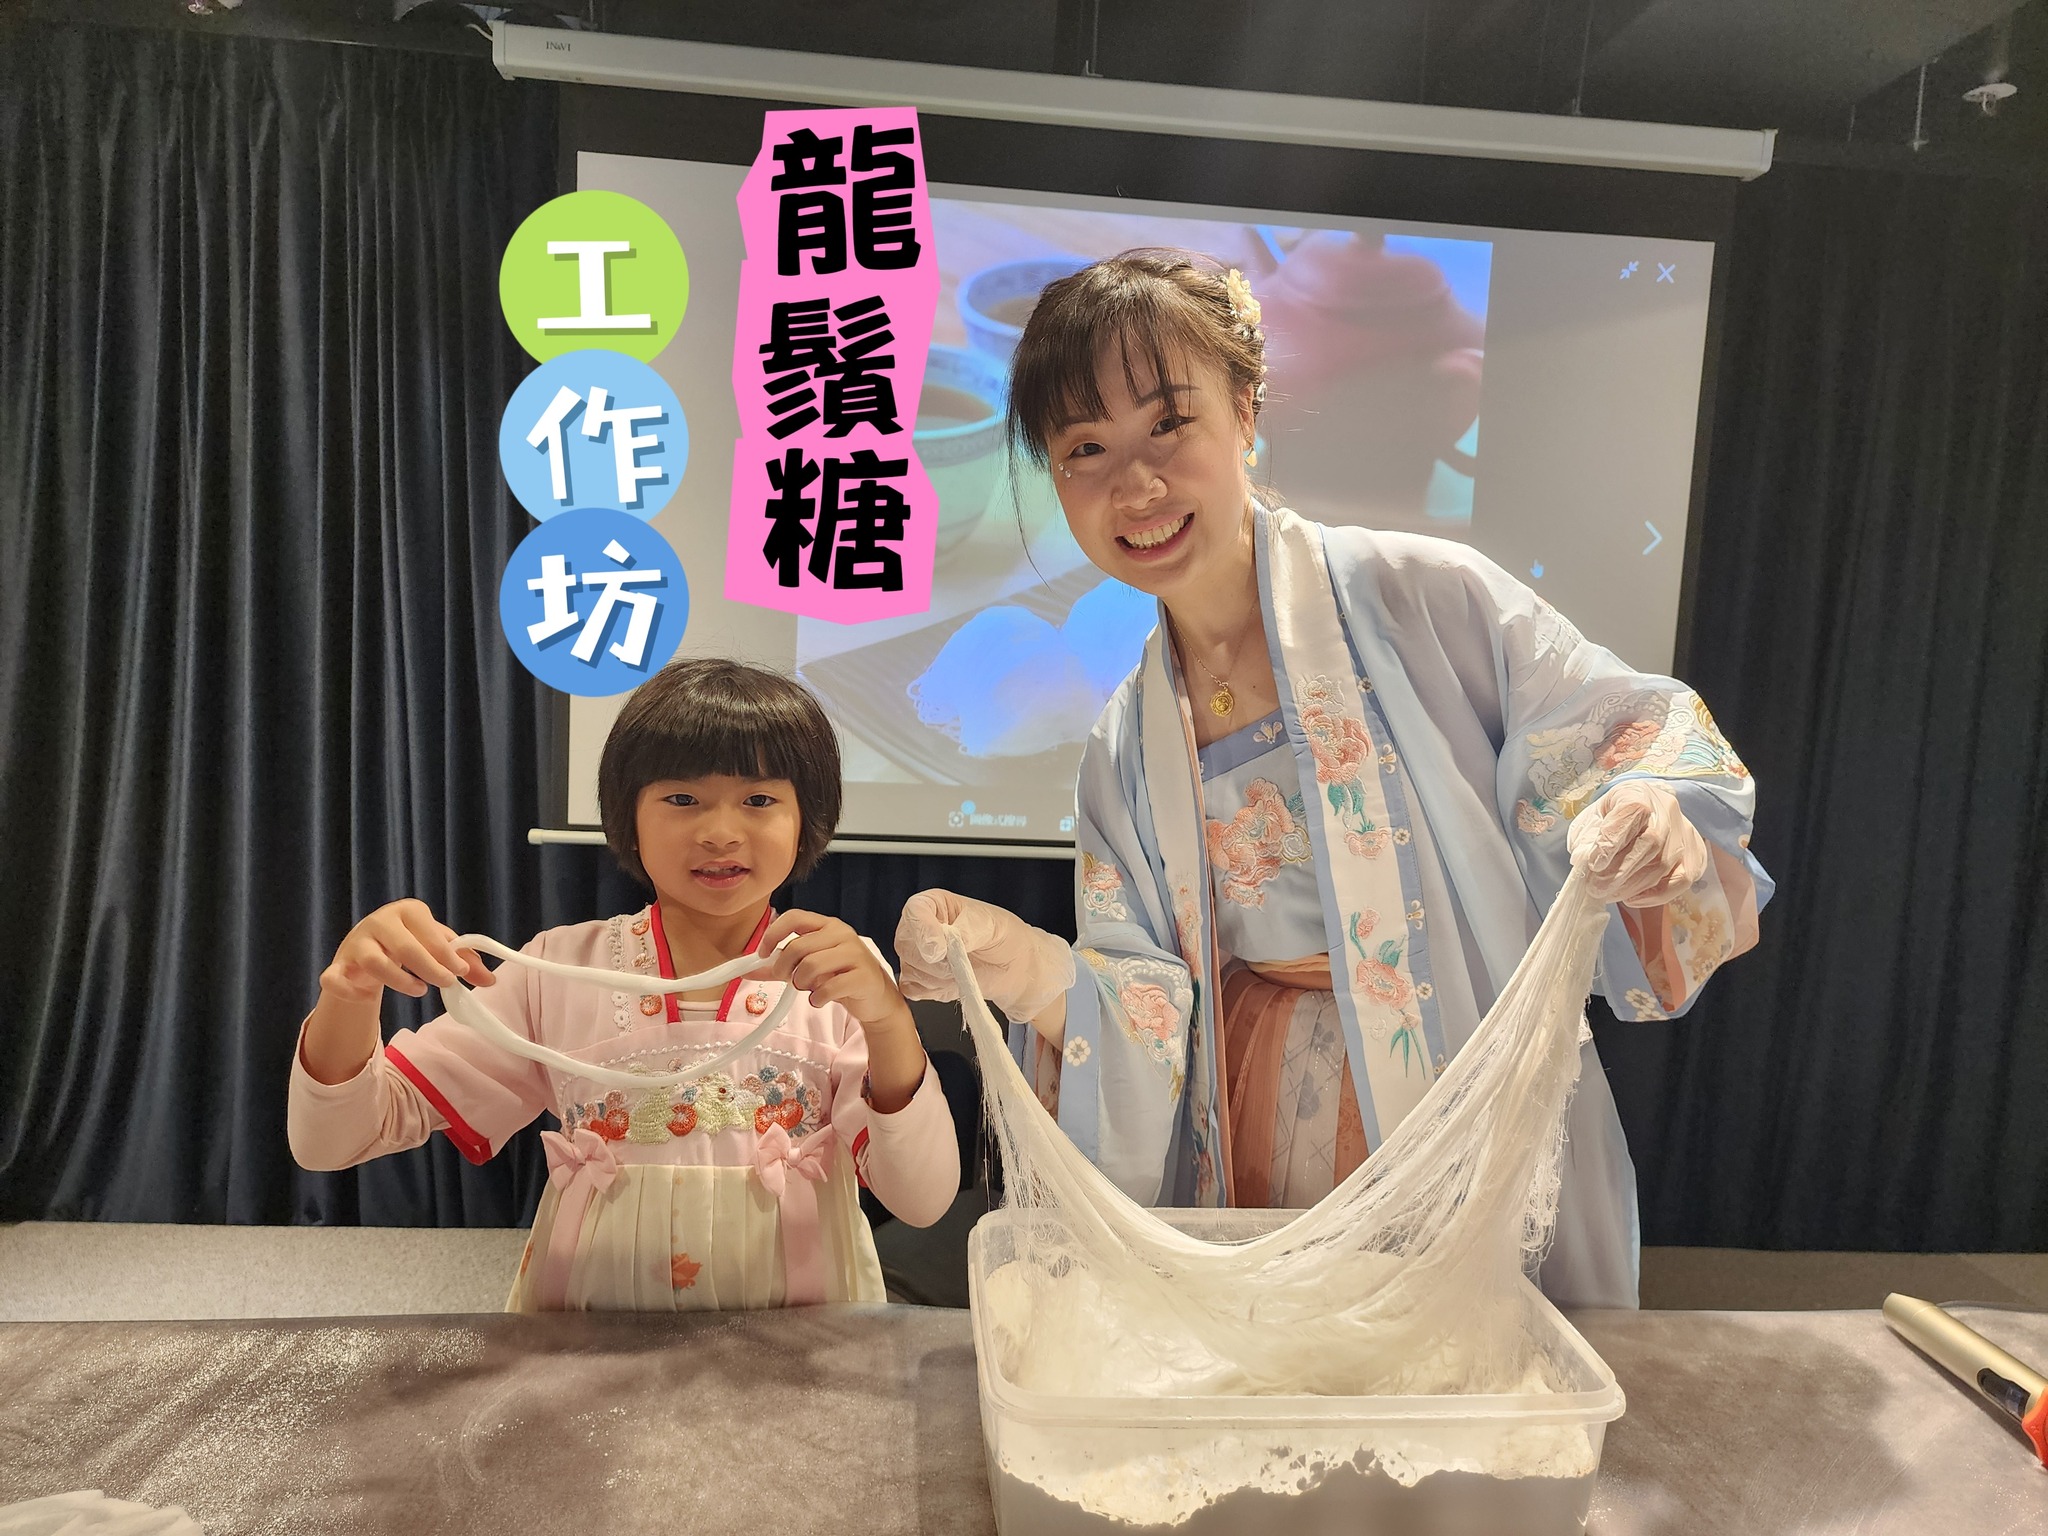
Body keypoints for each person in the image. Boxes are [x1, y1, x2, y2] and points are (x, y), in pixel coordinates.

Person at [895, 249, 1769, 1308]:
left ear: (1245, 411)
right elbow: (1146, 1003)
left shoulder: (1422, 597)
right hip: (1251, 1155)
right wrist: (1024, 965)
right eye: (1086, 448)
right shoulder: (1122, 744)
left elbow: (1619, 728)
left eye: (1169, 424)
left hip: (1460, 1117)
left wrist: (1648, 808)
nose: (1136, 484)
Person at [290, 658, 958, 1310]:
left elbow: (923, 1200)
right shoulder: (556, 970)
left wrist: (889, 1021)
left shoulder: (838, 978)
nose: (721, 833)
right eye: (682, 799)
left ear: (806, 817)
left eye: (759, 800)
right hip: (593, 1334)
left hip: (798, 1340)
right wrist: (351, 992)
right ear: (627, 817)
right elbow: (333, 1140)